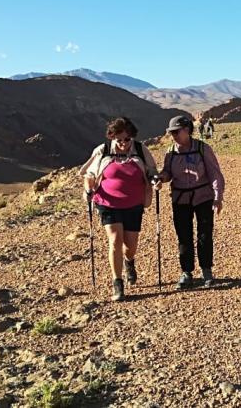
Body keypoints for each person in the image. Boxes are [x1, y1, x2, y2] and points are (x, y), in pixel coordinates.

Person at [80, 117, 157, 301]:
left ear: (132, 137)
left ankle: (129, 262)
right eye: (119, 140)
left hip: (134, 204)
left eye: (126, 139)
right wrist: (88, 188)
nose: (123, 144)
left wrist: (155, 180)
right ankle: (118, 283)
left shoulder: (140, 149)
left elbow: (152, 171)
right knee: (115, 240)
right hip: (107, 203)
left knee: (130, 247)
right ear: (112, 137)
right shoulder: (103, 150)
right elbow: (90, 174)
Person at [154, 115, 225, 289]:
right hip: (180, 199)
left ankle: (206, 270)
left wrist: (217, 197)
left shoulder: (202, 148)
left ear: (187, 130)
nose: (174, 135)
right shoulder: (170, 152)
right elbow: (168, 172)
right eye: (172, 132)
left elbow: (215, 173)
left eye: (177, 131)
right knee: (183, 236)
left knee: (204, 234)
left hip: (203, 197)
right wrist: (161, 178)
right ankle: (187, 273)